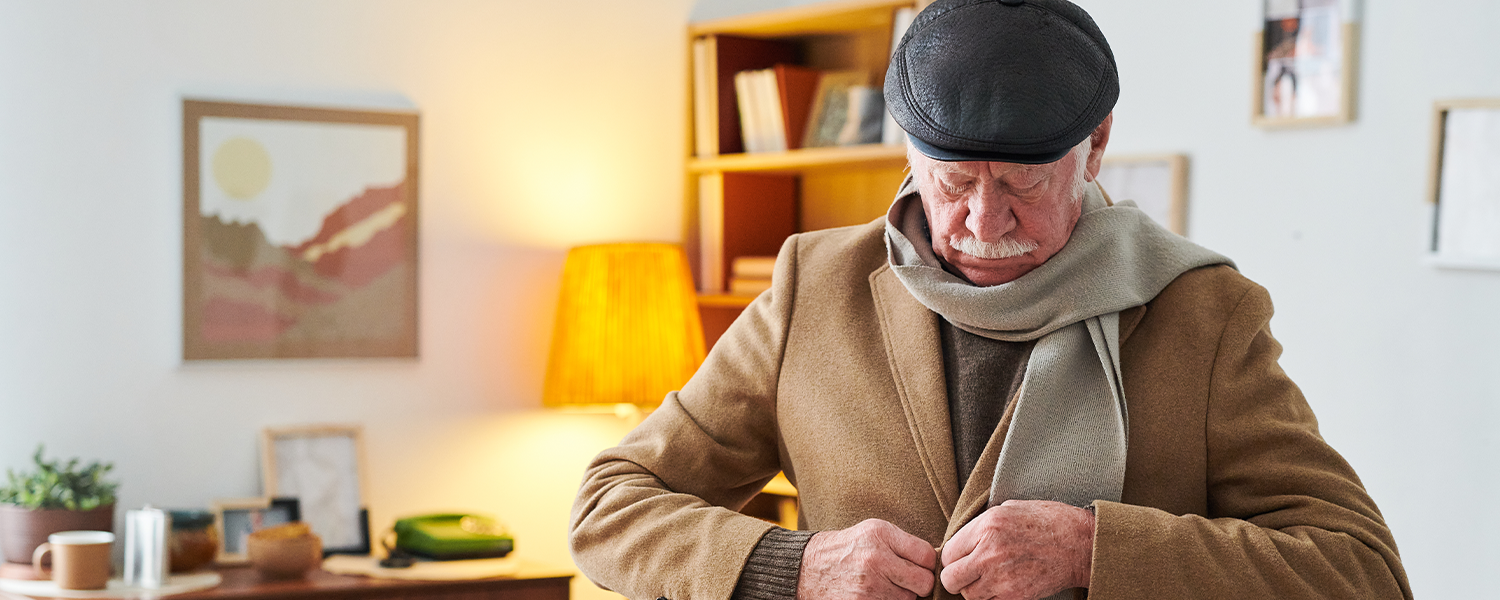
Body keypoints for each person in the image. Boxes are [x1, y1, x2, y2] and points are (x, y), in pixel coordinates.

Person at [570, 1, 1411, 599]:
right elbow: (612, 507)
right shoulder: (810, 286)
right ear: (909, 150)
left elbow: (1360, 569)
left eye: (1020, 184)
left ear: (1097, 147)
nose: (981, 222)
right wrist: (793, 569)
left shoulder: (1205, 311)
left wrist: (1096, 552)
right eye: (952, 183)